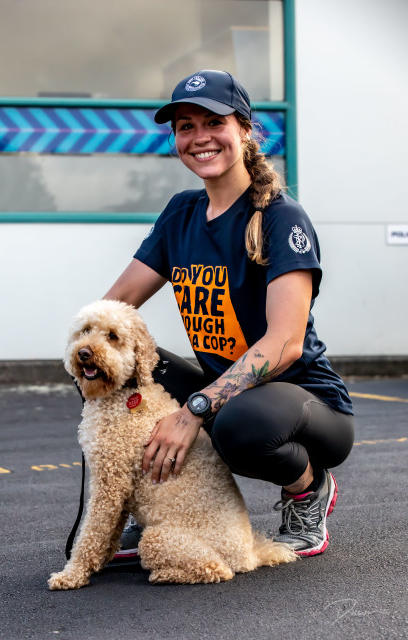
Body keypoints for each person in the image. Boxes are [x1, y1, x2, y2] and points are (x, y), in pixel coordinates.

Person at [104, 69, 354, 559]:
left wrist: (193, 411)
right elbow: (116, 306)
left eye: (213, 122)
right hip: (224, 392)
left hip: (306, 408)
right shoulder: (181, 213)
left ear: (244, 128)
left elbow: (285, 343)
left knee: (236, 424)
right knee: (106, 366)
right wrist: (87, 349)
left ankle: (308, 489)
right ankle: (157, 506)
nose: (200, 137)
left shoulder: (280, 217)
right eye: (186, 126)